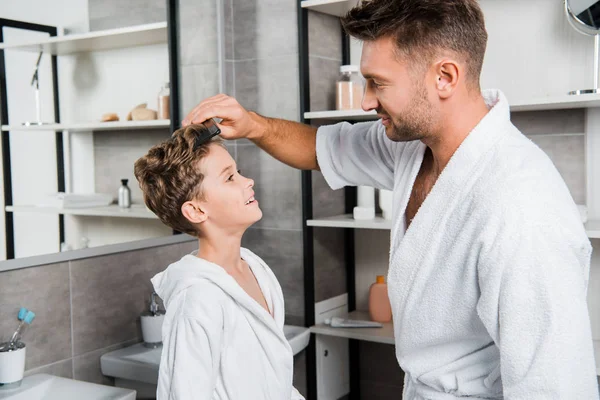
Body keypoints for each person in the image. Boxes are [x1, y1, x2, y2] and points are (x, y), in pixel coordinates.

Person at [182, 0, 599, 398]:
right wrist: (252, 125)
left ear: (445, 77)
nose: (365, 101)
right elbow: (321, 147)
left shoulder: (522, 206)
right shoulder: (413, 148)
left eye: (378, 83)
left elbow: (555, 386)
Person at [134, 124, 304, 400]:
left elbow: (274, 380)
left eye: (237, 172)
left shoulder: (255, 268)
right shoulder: (198, 299)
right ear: (197, 210)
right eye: (229, 178)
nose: (248, 181)